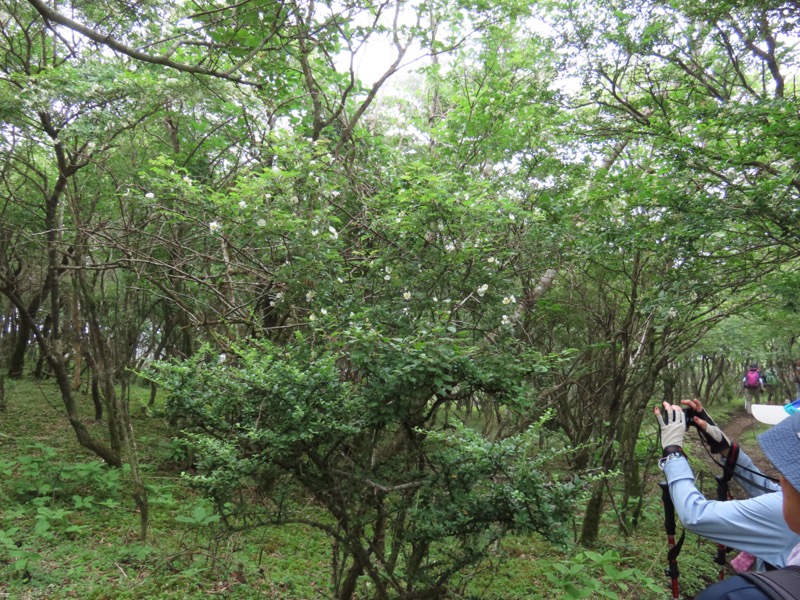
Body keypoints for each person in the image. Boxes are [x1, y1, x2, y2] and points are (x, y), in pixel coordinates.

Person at [654, 398, 800, 571]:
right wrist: (727, 449)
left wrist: (672, 455)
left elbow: (696, 515)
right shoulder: (788, 499)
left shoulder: (780, 511)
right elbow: (771, 491)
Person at [695, 410, 800, 598]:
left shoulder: (731, 595)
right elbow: (767, 488)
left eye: (787, 471)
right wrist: (724, 446)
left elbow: (696, 516)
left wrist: (672, 456)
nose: (781, 480)